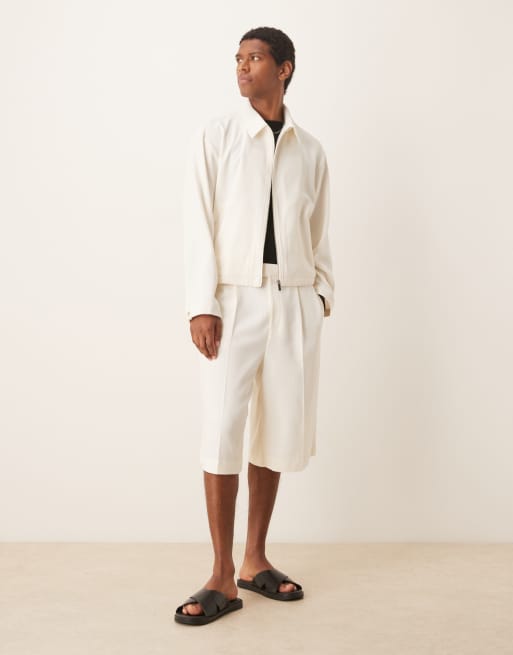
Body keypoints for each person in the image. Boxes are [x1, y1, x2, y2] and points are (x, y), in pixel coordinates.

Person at [175, 26, 335, 625]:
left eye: (256, 58)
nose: (242, 67)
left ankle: (254, 559)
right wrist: (202, 303)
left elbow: (319, 230)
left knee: (276, 430)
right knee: (222, 427)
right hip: (233, 299)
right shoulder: (217, 136)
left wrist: (321, 294)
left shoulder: (310, 150)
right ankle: (221, 573)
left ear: (284, 68)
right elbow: (198, 221)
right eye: (238, 58)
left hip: (293, 299)